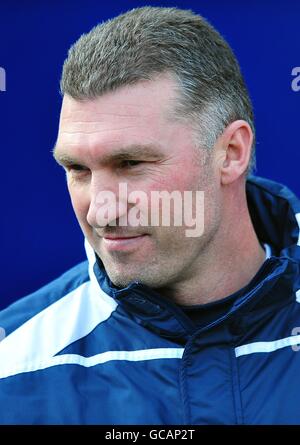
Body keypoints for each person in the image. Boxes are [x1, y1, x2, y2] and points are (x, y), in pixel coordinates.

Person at [0, 6, 299, 425]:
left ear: (230, 153)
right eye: (78, 170)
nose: (102, 209)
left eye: (131, 163)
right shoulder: (12, 366)